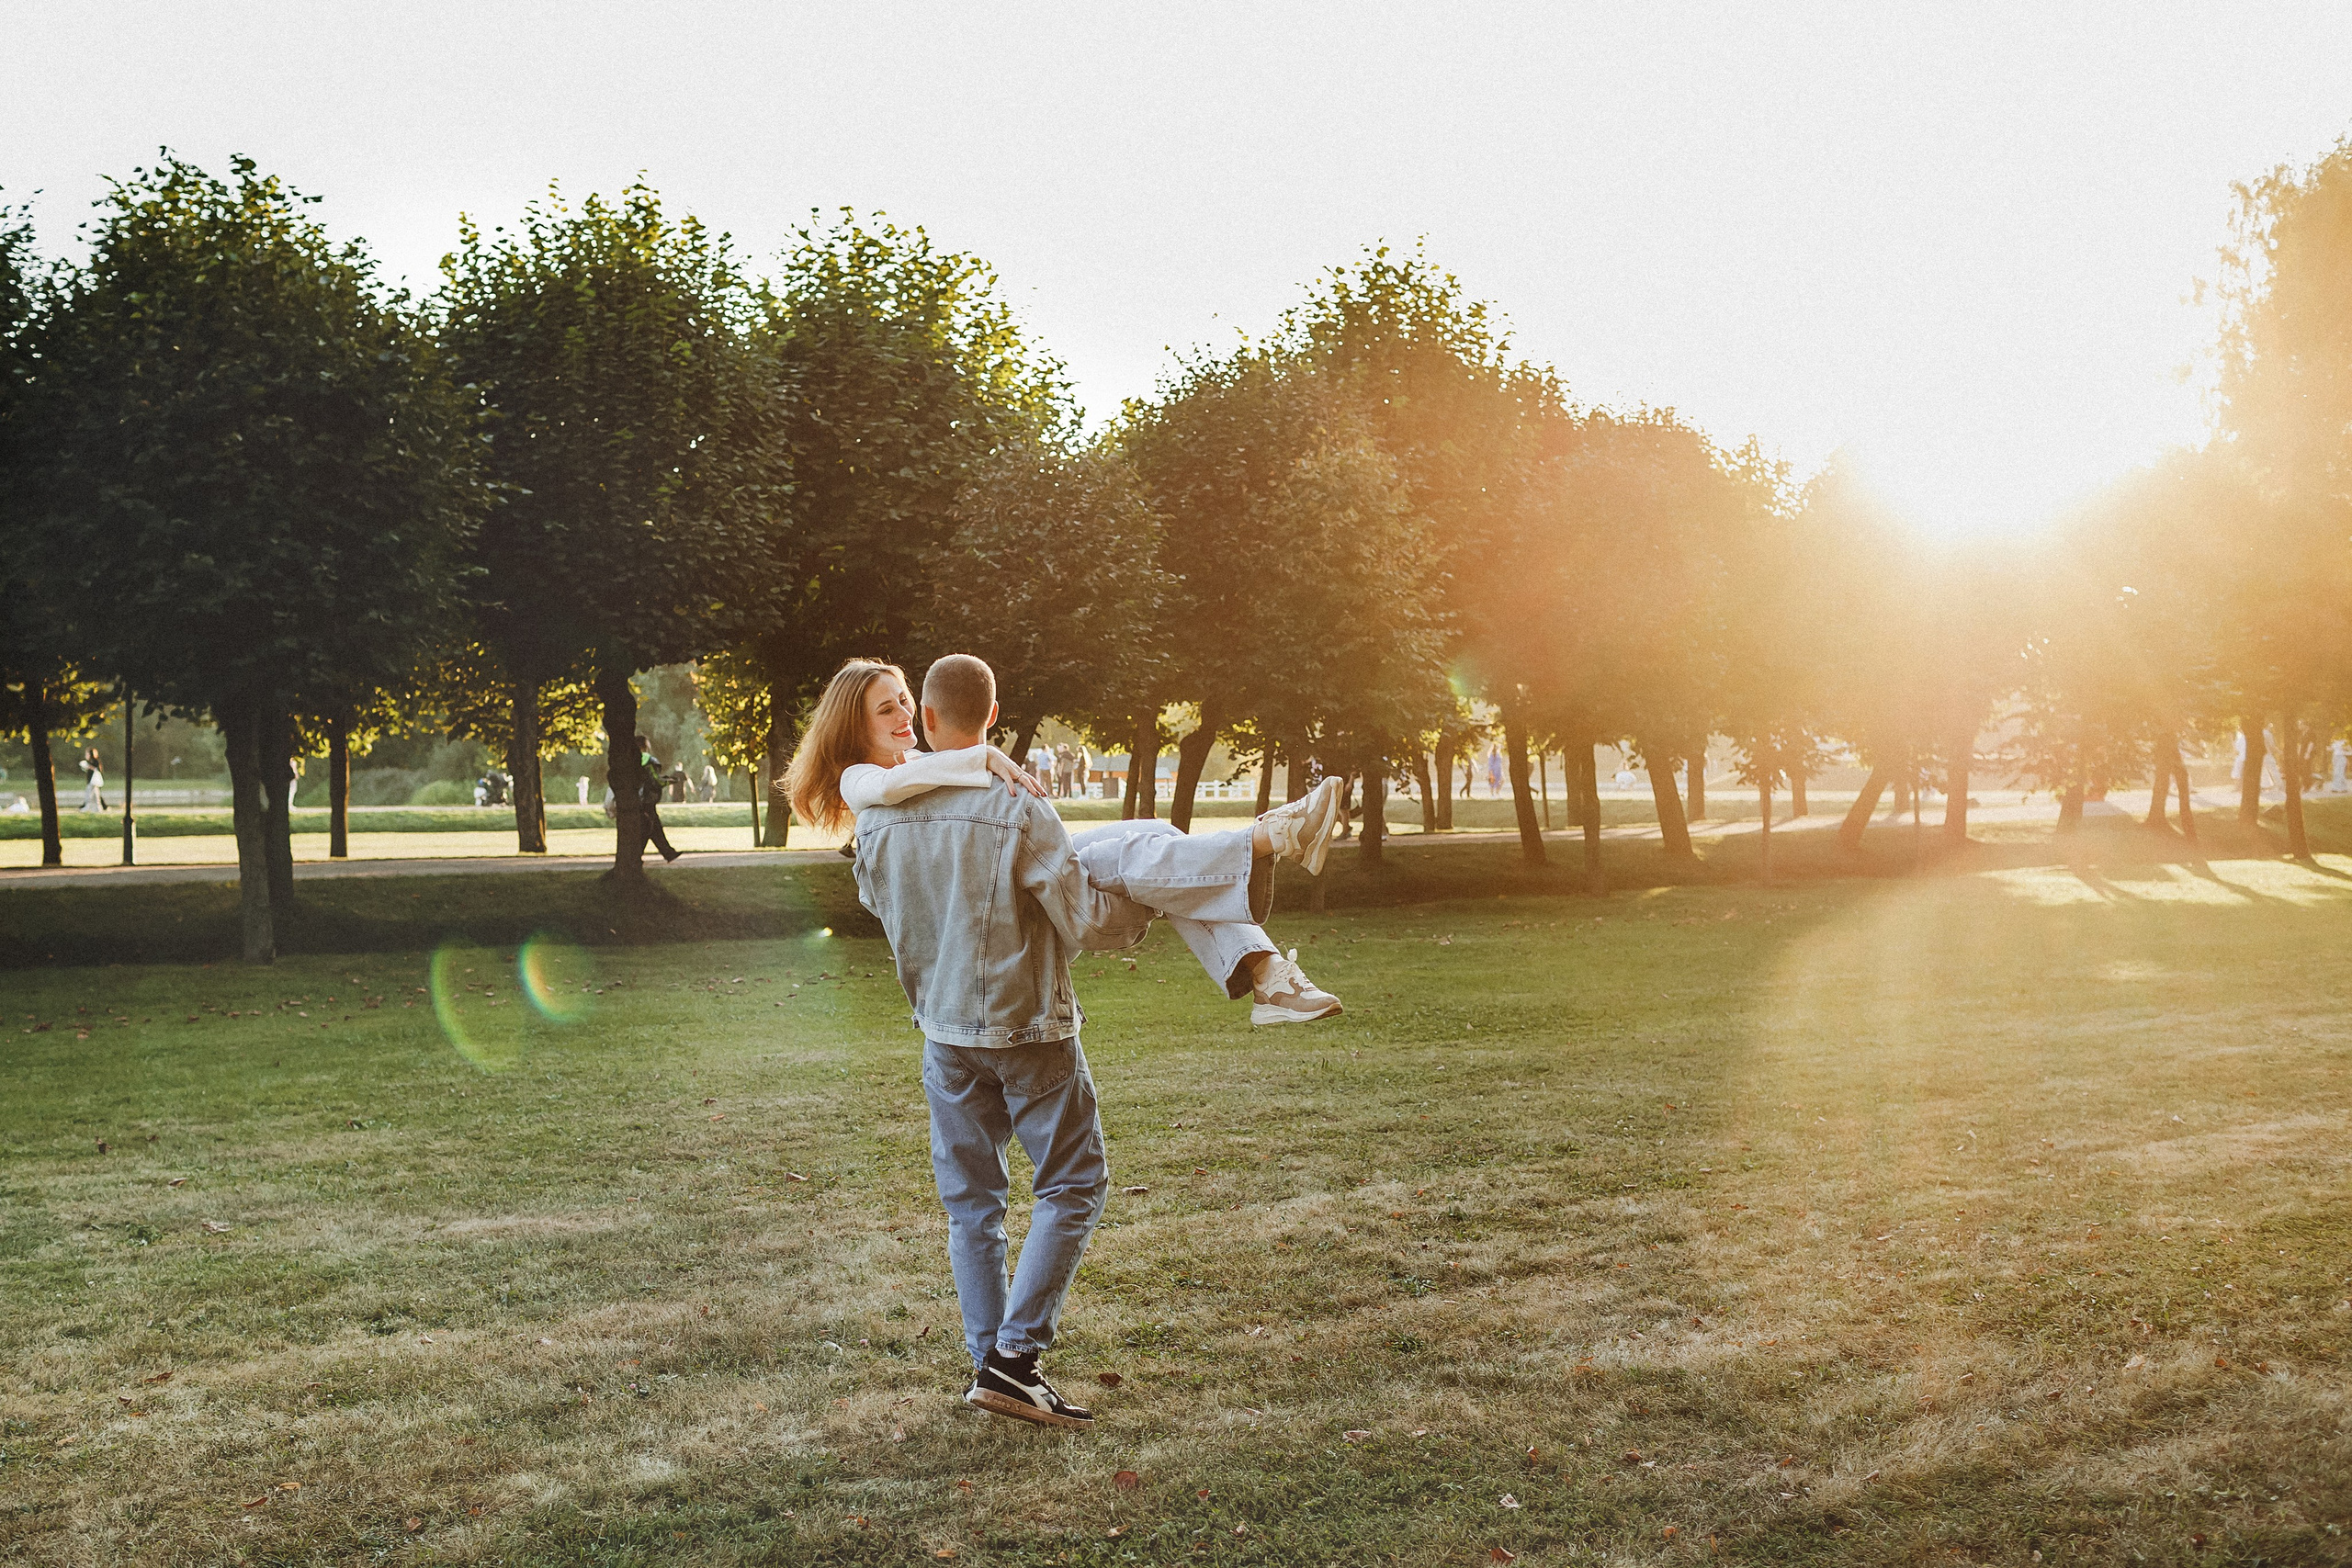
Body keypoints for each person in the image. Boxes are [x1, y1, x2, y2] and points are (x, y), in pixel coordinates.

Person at [785, 656, 1344, 1431]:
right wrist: (1145, 905)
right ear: (993, 714)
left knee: (972, 1208)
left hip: (945, 1034)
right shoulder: (1011, 799)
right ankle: (1014, 1357)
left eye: (908, 702)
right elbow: (1085, 922)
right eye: (888, 707)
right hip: (1026, 1028)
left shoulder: (871, 822)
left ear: (932, 717)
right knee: (1074, 1184)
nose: (904, 716)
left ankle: (992, 1368)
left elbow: (902, 913)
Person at [634, 736, 682, 862]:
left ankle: (668, 852)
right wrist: (669, 781)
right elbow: (655, 780)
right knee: (648, 827)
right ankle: (636, 856)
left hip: (636, 798)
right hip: (648, 799)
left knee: (654, 827)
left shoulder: (630, 761)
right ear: (645, 745)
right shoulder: (649, 760)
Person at [78, 748, 106, 812]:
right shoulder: (91, 761)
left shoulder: (95, 761)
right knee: (95, 794)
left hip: (93, 781)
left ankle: (89, 807)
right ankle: (97, 808)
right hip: (92, 780)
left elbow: (96, 769)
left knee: (90, 794)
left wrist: (87, 766)